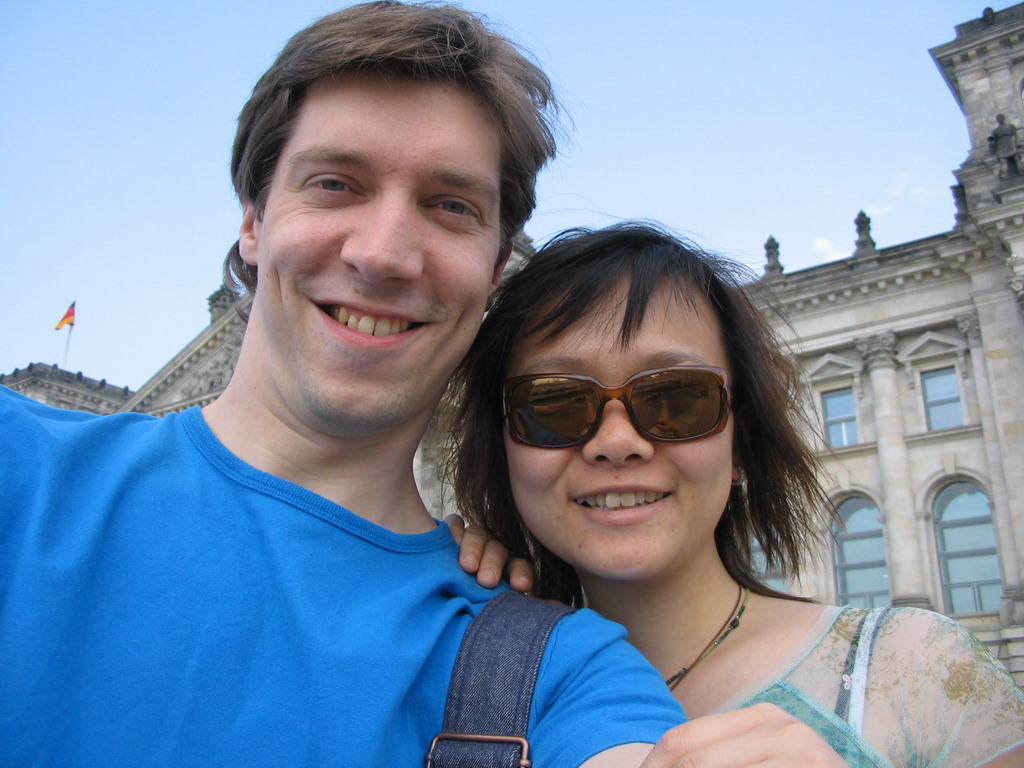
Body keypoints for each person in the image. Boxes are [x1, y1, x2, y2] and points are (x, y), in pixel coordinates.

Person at [0, 5, 704, 766]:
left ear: (496, 271)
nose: (384, 255)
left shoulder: (561, 672)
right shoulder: (21, 466)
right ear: (253, 221)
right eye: (336, 183)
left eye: (451, 205)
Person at [446, 222, 1024, 768]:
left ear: (740, 442)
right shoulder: (461, 674)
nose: (616, 442)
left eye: (676, 398)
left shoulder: (921, 670)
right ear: (505, 452)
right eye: (553, 404)